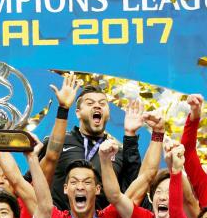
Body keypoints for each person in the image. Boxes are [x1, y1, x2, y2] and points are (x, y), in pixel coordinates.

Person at [39, 76, 142, 210]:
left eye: (102, 103)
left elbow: (134, 187)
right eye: (90, 103)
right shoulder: (58, 142)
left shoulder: (117, 152)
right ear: (78, 113)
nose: (97, 105)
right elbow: (33, 182)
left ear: (108, 114)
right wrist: (63, 108)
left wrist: (130, 135)